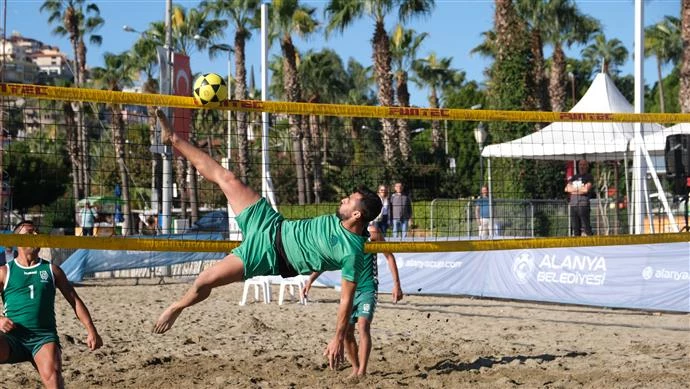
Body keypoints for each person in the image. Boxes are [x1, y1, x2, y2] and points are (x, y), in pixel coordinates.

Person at [152, 109, 383, 371]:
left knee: (203, 281)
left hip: (269, 255)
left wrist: (337, 337)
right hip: (271, 222)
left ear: (357, 213)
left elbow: (345, 300)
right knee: (226, 178)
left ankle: (177, 306)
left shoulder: (353, 250)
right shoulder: (341, 220)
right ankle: (173, 138)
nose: (343, 199)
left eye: (349, 200)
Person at [0, 220, 103, 388]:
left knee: (54, 380)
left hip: (43, 337)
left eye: (37, 232)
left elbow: (74, 301)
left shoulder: (52, 270)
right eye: (30, 232)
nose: (35, 235)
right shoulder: (5, 271)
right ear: (17, 240)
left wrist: (92, 330)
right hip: (12, 337)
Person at [302, 223, 403, 377]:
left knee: (363, 326)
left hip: (368, 287)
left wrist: (396, 285)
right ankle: (355, 367)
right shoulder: (343, 234)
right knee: (347, 332)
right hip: (349, 290)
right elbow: (327, 260)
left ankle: (362, 371)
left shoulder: (373, 233)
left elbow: (389, 256)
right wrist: (310, 280)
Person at [565, 159, 594, 236]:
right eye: (580, 165)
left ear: (587, 166)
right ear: (578, 166)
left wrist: (573, 190)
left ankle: (592, 244)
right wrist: (580, 189)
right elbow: (567, 189)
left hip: (583, 205)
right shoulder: (574, 177)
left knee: (586, 227)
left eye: (584, 165)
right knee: (575, 228)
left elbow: (585, 189)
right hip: (573, 205)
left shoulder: (589, 177)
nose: (582, 166)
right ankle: (577, 245)